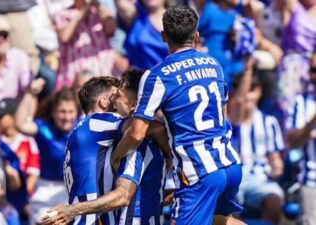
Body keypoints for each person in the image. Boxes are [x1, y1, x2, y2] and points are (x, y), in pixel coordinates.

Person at [111, 5, 244, 225]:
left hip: (200, 173)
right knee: (221, 222)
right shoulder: (215, 65)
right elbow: (223, 118)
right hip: (229, 164)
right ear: (196, 36)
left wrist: (116, 157)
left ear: (164, 36)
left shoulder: (158, 76)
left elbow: (136, 134)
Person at [41, 71, 171, 225]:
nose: (116, 100)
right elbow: (145, 128)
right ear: (104, 102)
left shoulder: (80, 133)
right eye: (115, 95)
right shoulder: (96, 123)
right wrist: (170, 155)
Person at [15, 79, 79, 224]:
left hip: (71, 190)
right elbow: (20, 125)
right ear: (53, 112)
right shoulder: (44, 128)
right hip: (46, 188)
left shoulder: (81, 127)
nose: (67, 117)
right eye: (62, 111)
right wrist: (29, 93)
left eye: (70, 112)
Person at [228, 70, 285, 224]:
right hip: (234, 178)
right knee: (226, 201)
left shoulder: (269, 122)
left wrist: (276, 167)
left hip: (259, 179)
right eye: (242, 89)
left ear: (259, 91)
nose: (246, 95)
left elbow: (274, 157)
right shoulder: (227, 120)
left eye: (251, 89)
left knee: (274, 200)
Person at [53, 0, 116, 89]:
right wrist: (84, 9)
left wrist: (96, 5)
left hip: (104, 76)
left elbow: (111, 28)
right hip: (77, 81)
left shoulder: (100, 12)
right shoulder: (63, 14)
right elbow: (64, 36)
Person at [0, 98, 40, 217]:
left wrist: (23, 196)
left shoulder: (28, 141)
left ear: (13, 116)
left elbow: (34, 173)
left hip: (23, 200)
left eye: (1, 116)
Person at [286, 54, 316, 225]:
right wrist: (312, 121)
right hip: (311, 181)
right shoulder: (301, 102)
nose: (313, 75)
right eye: (312, 70)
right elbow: (292, 141)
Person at [114, 0, 169, 70]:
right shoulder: (135, 16)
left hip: (170, 78)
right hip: (140, 78)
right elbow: (121, 3)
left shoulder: (178, 19)